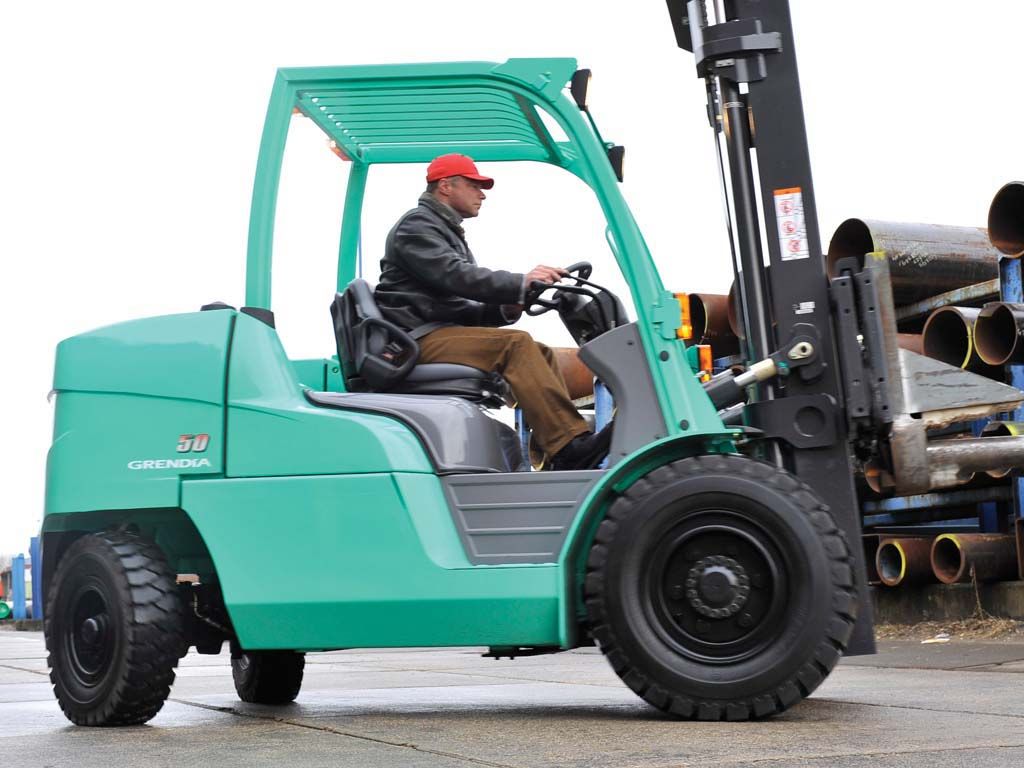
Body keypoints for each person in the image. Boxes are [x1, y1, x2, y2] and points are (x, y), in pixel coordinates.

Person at [374, 153, 611, 470]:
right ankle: (569, 446)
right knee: (516, 345)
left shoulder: (444, 230)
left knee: (539, 352)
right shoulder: (416, 227)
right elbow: (456, 276)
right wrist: (519, 282)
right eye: (475, 185)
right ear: (446, 185)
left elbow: (459, 300)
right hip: (415, 338)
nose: (482, 194)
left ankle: (554, 453)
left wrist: (508, 305)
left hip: (435, 330)